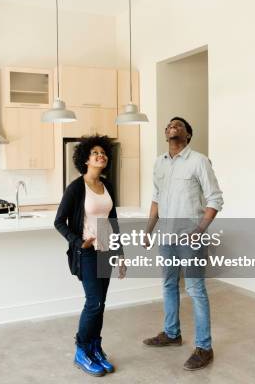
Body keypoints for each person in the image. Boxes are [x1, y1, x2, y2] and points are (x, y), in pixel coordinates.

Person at [142, 117, 223, 371]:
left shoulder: (199, 161)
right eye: (169, 124)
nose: (172, 126)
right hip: (166, 236)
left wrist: (200, 230)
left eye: (178, 124)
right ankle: (171, 333)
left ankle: (204, 347)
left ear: (188, 134)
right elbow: (156, 199)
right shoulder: (159, 163)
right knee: (168, 285)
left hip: (191, 237)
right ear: (166, 133)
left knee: (196, 289)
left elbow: (215, 199)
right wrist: (148, 231)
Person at [54, 134, 127, 377]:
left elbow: (112, 221)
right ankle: (81, 350)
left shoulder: (107, 186)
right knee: (93, 303)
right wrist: (78, 242)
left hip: (106, 250)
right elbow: (59, 221)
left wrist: (120, 253)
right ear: (86, 159)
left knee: (100, 304)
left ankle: (95, 347)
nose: (101, 156)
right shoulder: (76, 187)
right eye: (95, 153)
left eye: (103, 153)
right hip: (86, 253)